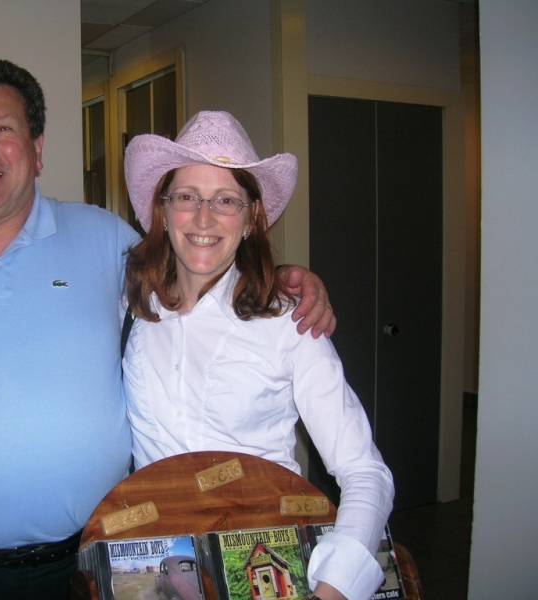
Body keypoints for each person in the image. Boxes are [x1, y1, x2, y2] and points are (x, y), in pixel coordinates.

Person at [0, 57, 335, 600]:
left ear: (37, 149)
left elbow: (202, 270)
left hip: (98, 556)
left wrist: (284, 279)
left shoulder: (106, 240)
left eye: (4, 129)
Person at [121, 111, 394, 600]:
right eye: (187, 197)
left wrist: (335, 587)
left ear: (251, 219)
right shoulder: (131, 308)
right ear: (163, 210)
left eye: (226, 200)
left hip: (262, 565)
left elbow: (364, 471)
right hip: (165, 569)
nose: (204, 218)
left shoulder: (290, 325)